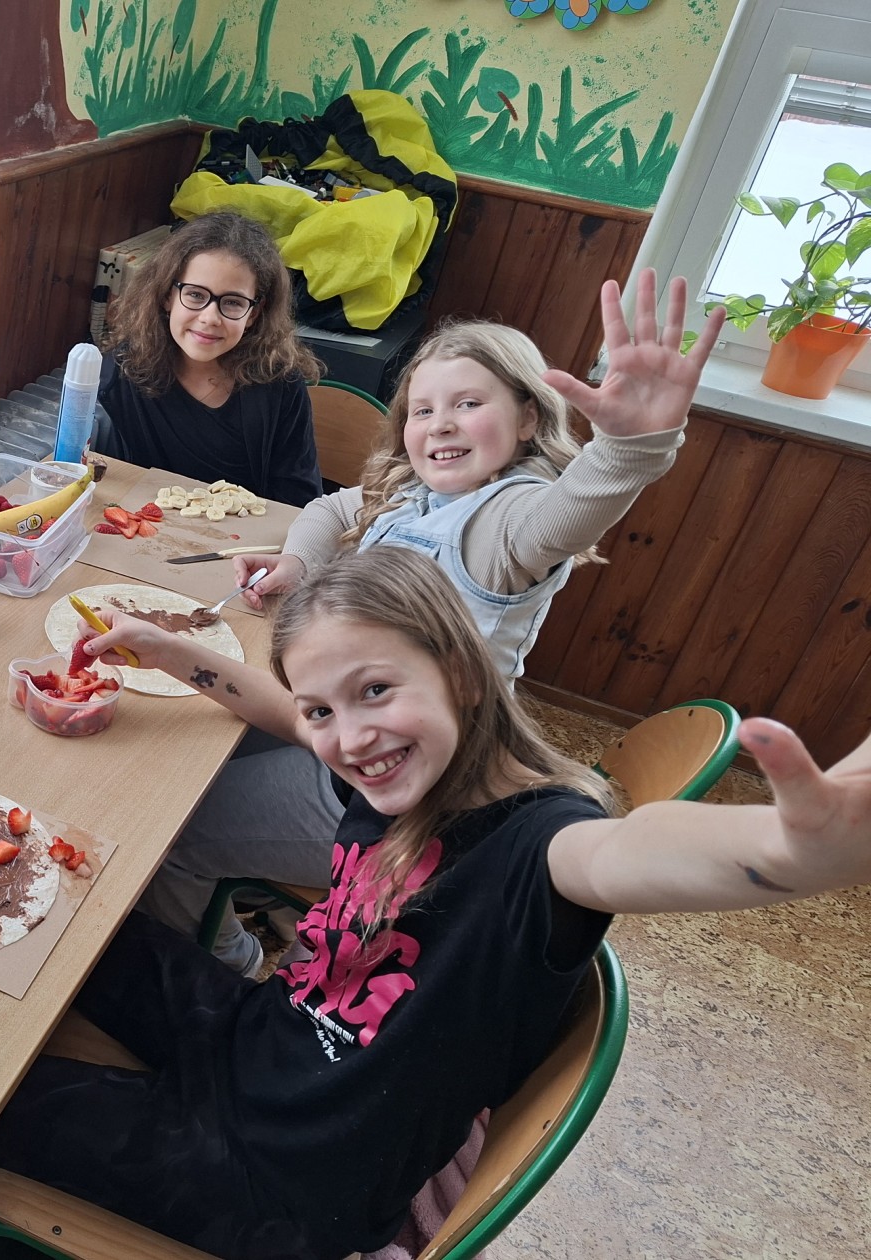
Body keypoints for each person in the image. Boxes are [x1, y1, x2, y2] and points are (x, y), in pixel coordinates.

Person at [0, 545, 871, 1260]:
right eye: (326, 710)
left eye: (376, 691)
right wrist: (175, 654)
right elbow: (289, 714)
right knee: (66, 920)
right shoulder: (403, 776)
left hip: (284, 1185)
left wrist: (786, 854)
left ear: (463, 674)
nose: (350, 738)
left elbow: (634, 850)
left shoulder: (546, 846)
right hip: (255, 1045)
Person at [128, 268, 728, 972]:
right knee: (183, 750)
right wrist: (298, 560)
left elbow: (568, 514)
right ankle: (259, 900)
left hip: (397, 798)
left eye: (468, 404)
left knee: (170, 830)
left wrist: (629, 449)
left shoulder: (507, 522)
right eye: (422, 409)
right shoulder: (415, 492)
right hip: (346, 732)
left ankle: (230, 962)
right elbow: (331, 508)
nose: (440, 422)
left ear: (528, 419)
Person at [93, 209, 325, 506]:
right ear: (167, 296)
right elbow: (100, 484)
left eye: (233, 302)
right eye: (195, 295)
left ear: (254, 313)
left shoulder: (281, 384)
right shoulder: (122, 371)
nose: (210, 317)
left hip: (246, 533)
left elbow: (299, 499)